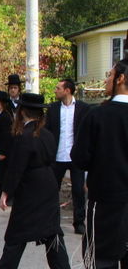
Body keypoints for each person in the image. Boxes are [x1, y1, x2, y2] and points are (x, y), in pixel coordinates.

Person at [0, 93, 76, 269]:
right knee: (51, 230)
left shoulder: (24, 136)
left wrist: (6, 192)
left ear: (22, 112)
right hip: (48, 184)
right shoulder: (47, 134)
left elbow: (17, 167)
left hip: (31, 186)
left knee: (17, 229)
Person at [71, 59, 128, 269]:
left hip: (106, 203)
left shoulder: (99, 116)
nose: (106, 80)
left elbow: (79, 159)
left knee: (101, 263)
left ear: (120, 79)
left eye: (109, 75)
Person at [45, 79, 90, 235]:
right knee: (51, 189)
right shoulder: (53, 108)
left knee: (78, 190)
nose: (55, 90)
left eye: (58, 88)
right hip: (57, 156)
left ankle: (79, 222)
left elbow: (87, 133)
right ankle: (51, 222)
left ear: (68, 91)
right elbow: (48, 131)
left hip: (75, 156)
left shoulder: (83, 109)